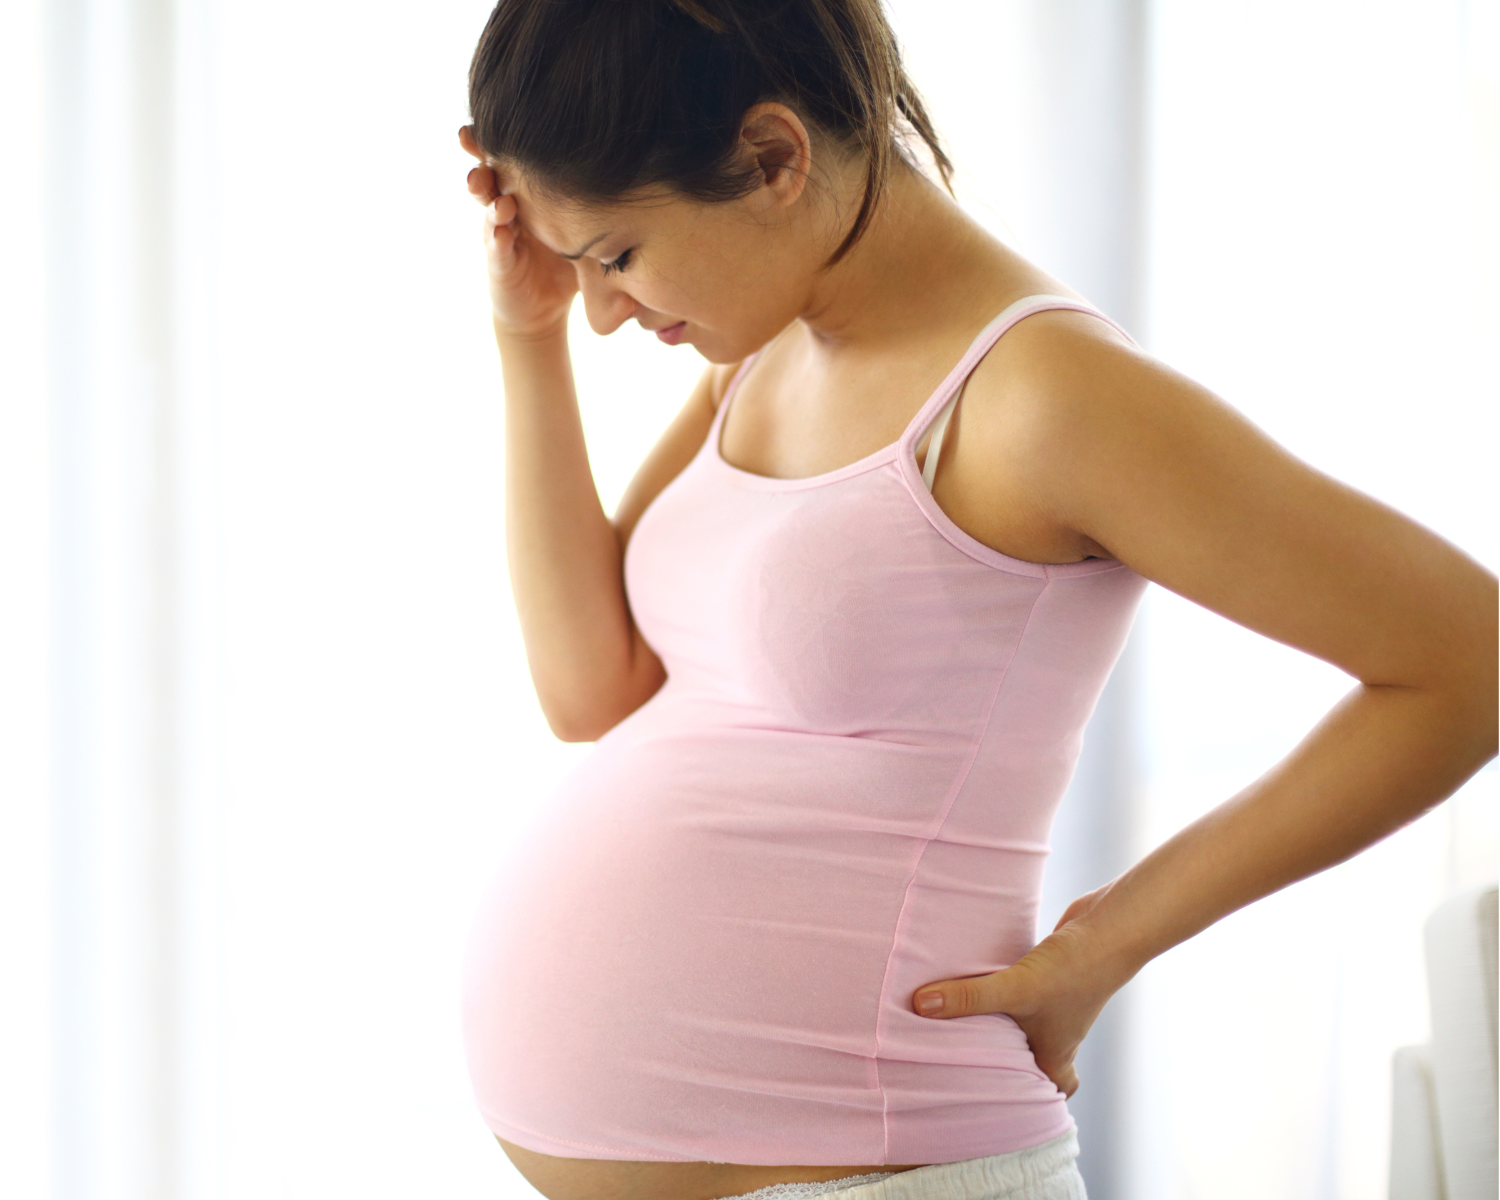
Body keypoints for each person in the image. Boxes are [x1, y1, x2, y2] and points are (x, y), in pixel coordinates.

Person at [454, 2, 1497, 1198]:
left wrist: (1107, 942)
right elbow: (592, 686)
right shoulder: (767, 354)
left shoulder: (1042, 396)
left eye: (617, 257)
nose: (603, 310)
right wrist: (522, 335)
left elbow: (1468, 656)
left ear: (774, 156)